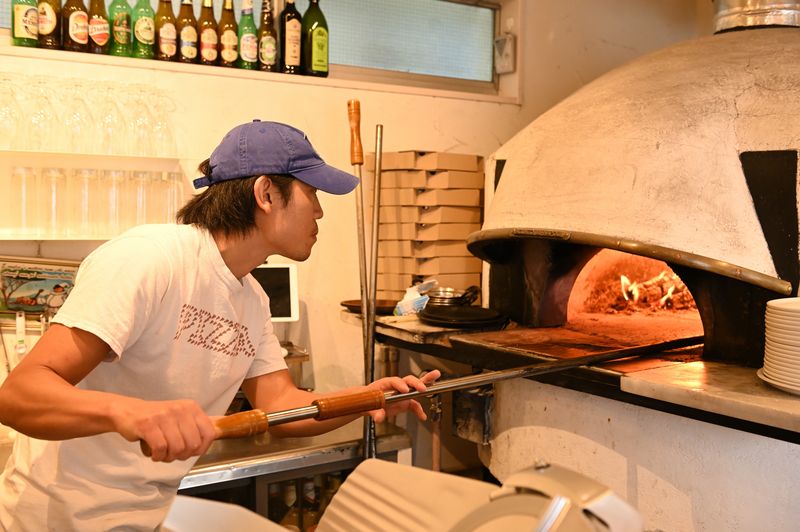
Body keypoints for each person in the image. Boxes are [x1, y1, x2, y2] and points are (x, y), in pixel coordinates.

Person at [0, 120, 440, 531]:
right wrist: (128, 412)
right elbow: (19, 394)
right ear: (266, 193)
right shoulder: (150, 259)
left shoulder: (251, 299)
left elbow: (282, 405)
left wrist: (366, 398)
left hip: (143, 517)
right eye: (312, 193)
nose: (320, 213)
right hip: (53, 517)